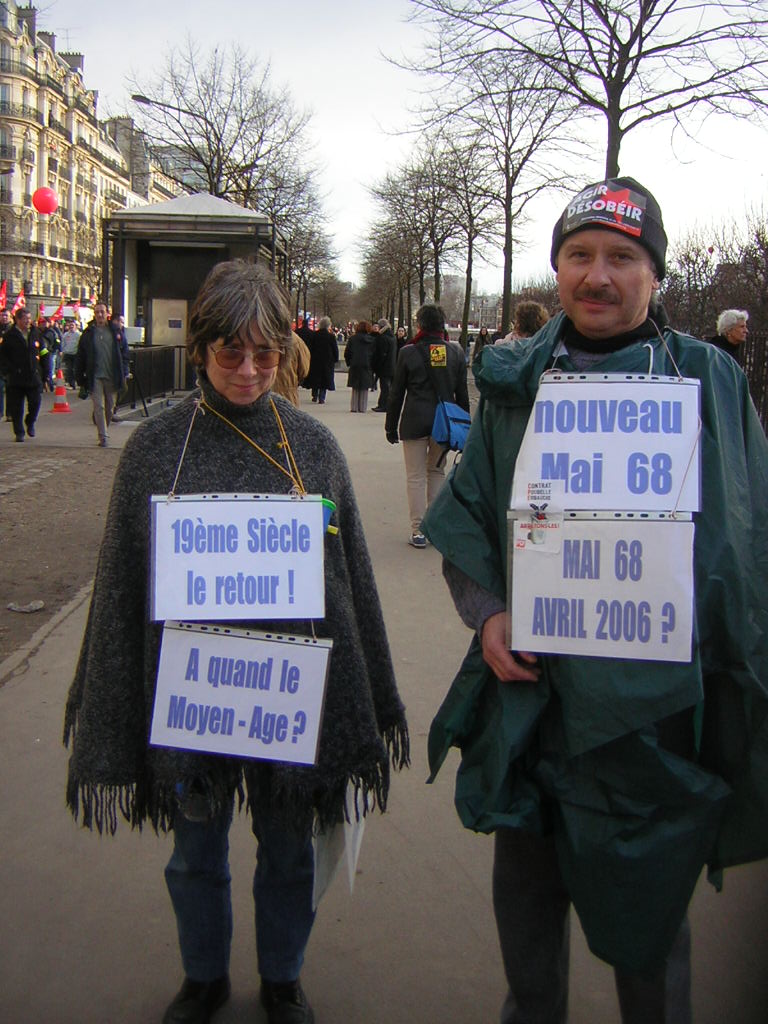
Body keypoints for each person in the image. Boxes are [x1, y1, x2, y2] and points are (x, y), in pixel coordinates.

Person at [423, 177, 768, 1024]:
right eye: (579, 255)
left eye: (622, 257)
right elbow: (468, 527)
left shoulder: (707, 379)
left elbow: (747, 534)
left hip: (650, 728)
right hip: (530, 709)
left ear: (655, 273)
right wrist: (490, 613)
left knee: (649, 946)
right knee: (530, 949)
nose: (598, 276)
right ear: (558, 267)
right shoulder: (514, 386)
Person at [63, 260, 409, 1024]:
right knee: (194, 853)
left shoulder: (313, 448)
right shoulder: (157, 449)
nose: (250, 371)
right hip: (192, 699)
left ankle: (282, 977)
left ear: (286, 351)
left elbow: (348, 581)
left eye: (266, 354)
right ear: (202, 351)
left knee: (288, 848)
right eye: (231, 353)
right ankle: (204, 976)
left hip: (288, 700)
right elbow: (124, 581)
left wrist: (360, 688)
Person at [385, 304, 469, 549]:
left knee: (415, 476)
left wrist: (390, 426)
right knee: (436, 472)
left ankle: (417, 529)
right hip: (444, 424)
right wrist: (464, 428)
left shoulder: (408, 353)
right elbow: (462, 394)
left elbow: (396, 393)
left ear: (420, 324)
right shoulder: (455, 352)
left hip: (414, 420)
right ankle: (434, 527)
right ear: (442, 324)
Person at [75, 302, 130, 447]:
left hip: (112, 375)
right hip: (95, 376)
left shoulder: (115, 331)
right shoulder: (88, 334)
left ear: (107, 313)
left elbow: (125, 353)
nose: (100, 315)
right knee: (98, 406)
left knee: (110, 406)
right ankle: (103, 436)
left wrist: (124, 371)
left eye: (102, 312)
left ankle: (104, 428)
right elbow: (80, 355)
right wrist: (80, 376)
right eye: (97, 312)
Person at [0, 307, 49, 441]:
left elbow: (44, 353)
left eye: (29, 318)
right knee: (17, 408)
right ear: (17, 320)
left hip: (34, 376)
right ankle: (19, 432)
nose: (28, 321)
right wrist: (7, 372)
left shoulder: (36, 333)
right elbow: (2, 356)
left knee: (35, 402)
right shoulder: (9, 336)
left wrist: (46, 374)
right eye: (25, 319)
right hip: (16, 378)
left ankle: (30, 422)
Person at [305, 315, 338, 404]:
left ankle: (314, 395)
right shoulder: (331, 336)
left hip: (315, 359)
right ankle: (322, 397)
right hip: (327, 360)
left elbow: (310, 347)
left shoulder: (314, 335)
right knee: (324, 379)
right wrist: (335, 359)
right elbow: (335, 349)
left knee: (316, 378)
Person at [272, 329, 310, 406]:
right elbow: (304, 369)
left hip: (264, 395)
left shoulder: (260, 335)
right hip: (289, 394)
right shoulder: (295, 340)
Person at [344, 320, 376, 413]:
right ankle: (363, 407)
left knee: (355, 386)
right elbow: (374, 354)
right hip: (367, 365)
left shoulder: (352, 339)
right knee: (364, 387)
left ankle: (354, 407)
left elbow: (347, 353)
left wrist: (349, 362)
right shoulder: (372, 340)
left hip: (355, 364)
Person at [372, 318, 397, 412]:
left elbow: (380, 354)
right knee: (387, 387)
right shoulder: (392, 337)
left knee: (384, 387)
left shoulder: (382, 337)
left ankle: (383, 405)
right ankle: (385, 404)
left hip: (384, 367)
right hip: (391, 366)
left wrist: (376, 366)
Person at [60, 318, 81, 389]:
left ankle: (77, 382)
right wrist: (62, 351)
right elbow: (63, 343)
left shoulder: (78, 335)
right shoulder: (66, 334)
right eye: (70, 325)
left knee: (75, 369)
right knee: (69, 369)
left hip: (75, 354)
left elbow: (80, 344)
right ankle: (71, 384)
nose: (71, 326)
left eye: (73, 325)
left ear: (75, 326)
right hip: (68, 354)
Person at [0, 306, 10, 420]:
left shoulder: (13, 330)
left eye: (6, 315)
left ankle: (10, 413)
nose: (4, 317)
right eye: (2, 315)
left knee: (11, 390)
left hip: (11, 364)